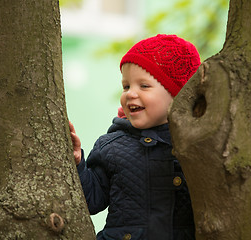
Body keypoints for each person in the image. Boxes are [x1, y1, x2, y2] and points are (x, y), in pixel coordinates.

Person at [70, 34, 201, 240]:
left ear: (178, 94)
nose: (130, 93)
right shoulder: (112, 145)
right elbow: (90, 201)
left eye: (144, 86)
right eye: (126, 86)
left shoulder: (197, 147)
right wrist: (76, 163)